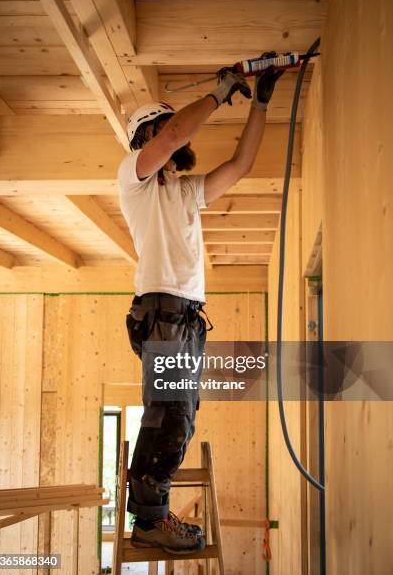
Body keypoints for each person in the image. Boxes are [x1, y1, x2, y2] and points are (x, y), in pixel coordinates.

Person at [117, 63, 283, 554]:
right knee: (168, 413)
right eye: (165, 126)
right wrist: (216, 95)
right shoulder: (135, 179)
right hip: (162, 311)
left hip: (185, 317)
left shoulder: (187, 192)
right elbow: (170, 136)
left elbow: (240, 167)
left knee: (182, 415)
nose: (177, 134)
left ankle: (154, 512)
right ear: (145, 136)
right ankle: (149, 519)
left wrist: (260, 103)